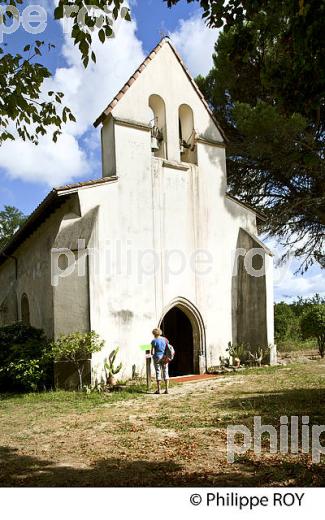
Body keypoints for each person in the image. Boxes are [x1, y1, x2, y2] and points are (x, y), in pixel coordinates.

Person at [151, 327, 169, 394]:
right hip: (164, 357)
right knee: (165, 371)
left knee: (158, 372)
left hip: (157, 357)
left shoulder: (154, 341)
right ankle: (167, 390)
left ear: (154, 334)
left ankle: (158, 390)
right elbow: (168, 348)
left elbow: (152, 352)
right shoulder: (165, 339)